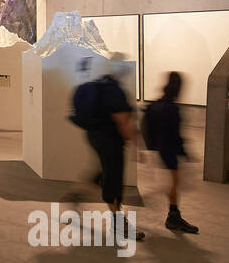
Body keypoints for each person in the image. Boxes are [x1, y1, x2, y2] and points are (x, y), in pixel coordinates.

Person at [67, 54, 143, 240]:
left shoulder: (100, 85)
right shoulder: (115, 90)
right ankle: (118, 223)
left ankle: (76, 193)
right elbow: (122, 121)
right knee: (113, 181)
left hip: (95, 137)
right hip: (110, 141)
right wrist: (135, 145)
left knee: (102, 173)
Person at [143, 72, 198, 233]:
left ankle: (173, 215)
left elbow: (147, 128)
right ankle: (173, 217)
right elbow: (175, 134)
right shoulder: (172, 108)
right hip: (169, 151)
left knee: (171, 183)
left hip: (159, 149)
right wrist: (184, 153)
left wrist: (151, 147)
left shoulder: (155, 105)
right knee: (173, 183)